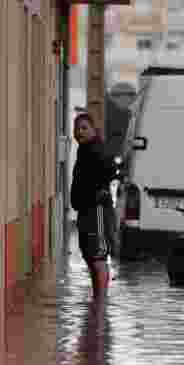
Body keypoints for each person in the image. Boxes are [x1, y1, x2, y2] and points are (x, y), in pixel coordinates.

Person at [71, 112, 118, 300]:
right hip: (85, 211)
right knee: (91, 257)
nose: (80, 132)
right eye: (77, 128)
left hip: (96, 211)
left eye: (84, 128)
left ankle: (101, 303)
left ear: (93, 130)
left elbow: (110, 169)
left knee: (98, 258)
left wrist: (99, 191)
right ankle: (97, 300)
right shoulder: (84, 149)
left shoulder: (96, 148)